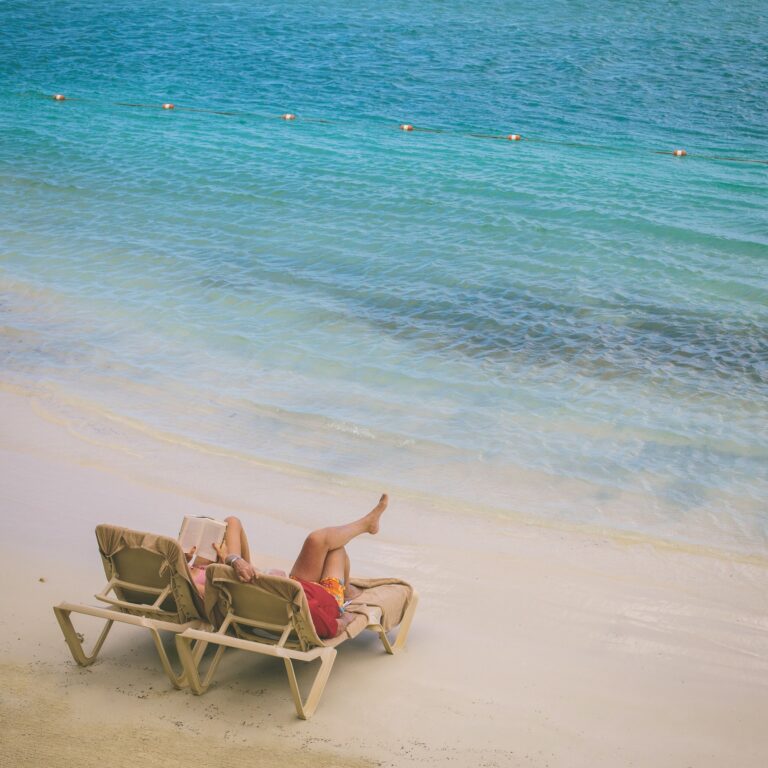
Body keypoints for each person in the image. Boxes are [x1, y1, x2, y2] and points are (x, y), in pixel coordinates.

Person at [185, 494, 388, 639]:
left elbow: (232, 524)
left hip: (287, 588)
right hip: (314, 599)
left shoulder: (191, 572)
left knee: (317, 541)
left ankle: (365, 532)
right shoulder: (200, 588)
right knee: (334, 549)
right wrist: (347, 619)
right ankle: (348, 583)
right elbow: (328, 625)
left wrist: (228, 560)